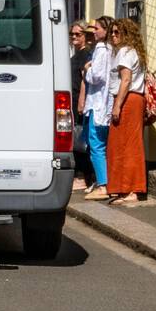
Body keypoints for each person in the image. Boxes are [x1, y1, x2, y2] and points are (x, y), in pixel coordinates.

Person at [108, 17, 148, 205]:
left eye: (117, 32)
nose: (113, 35)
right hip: (133, 99)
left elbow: (125, 80)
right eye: (112, 32)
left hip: (128, 100)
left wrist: (117, 105)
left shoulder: (125, 51)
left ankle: (131, 189)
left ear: (126, 34)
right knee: (125, 143)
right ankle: (125, 188)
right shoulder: (133, 52)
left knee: (126, 145)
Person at [79, 16, 115, 201]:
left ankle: (103, 184)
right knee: (98, 143)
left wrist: (87, 69)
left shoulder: (101, 49)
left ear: (105, 31)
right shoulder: (110, 49)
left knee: (96, 144)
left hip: (98, 102)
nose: (94, 31)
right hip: (102, 102)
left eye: (98, 28)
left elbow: (97, 77)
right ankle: (102, 180)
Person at [68, 21, 93, 191]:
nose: (75, 37)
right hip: (72, 100)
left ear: (85, 36)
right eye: (72, 34)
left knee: (80, 140)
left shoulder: (85, 55)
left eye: (79, 34)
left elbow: (85, 80)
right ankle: (80, 175)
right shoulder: (75, 55)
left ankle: (82, 176)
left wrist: (82, 102)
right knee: (76, 138)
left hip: (79, 102)